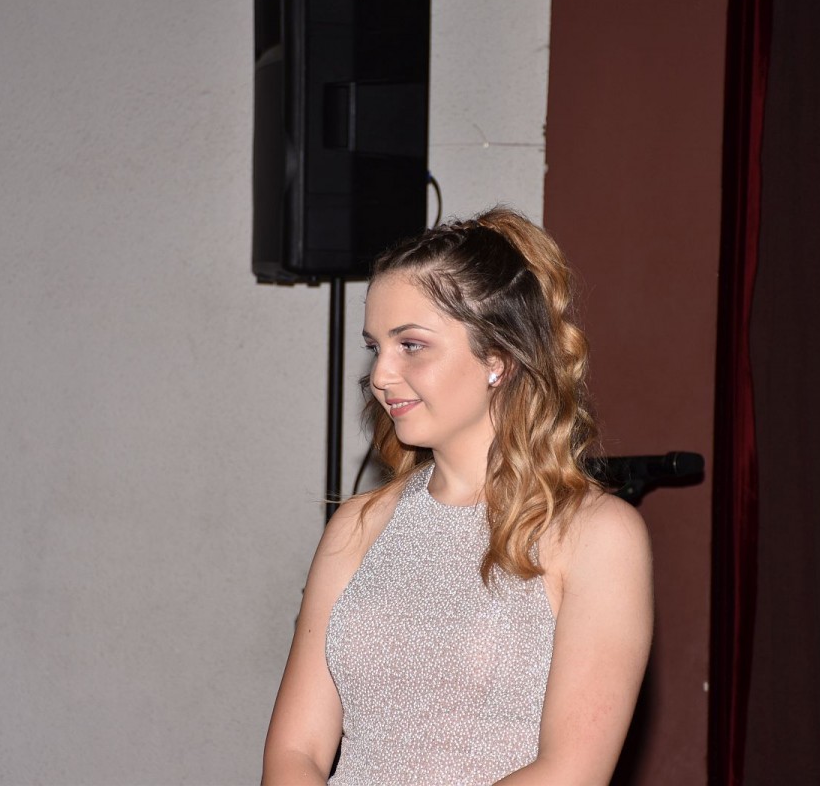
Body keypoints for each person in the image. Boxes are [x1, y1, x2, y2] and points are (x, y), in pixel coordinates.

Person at [262, 207, 654, 785]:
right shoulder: (359, 525)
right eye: (375, 347)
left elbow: (570, 771)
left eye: (410, 345)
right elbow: (296, 750)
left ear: (498, 358)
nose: (380, 375)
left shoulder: (597, 534)